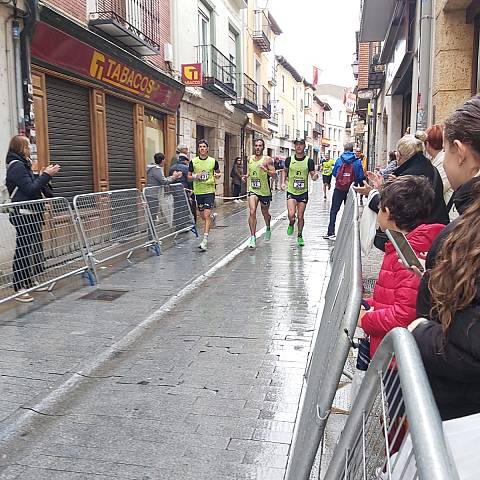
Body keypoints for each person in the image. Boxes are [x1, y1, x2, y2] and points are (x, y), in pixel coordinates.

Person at [357, 176, 444, 358]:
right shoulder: (403, 246)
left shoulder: (406, 256)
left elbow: (403, 315)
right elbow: (395, 299)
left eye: (379, 210)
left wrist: (365, 319)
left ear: (387, 212)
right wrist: (369, 304)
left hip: (398, 359)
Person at [355, 132, 450, 251]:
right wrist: (382, 187)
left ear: (399, 155)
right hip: (431, 233)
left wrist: (371, 193)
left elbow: (395, 209)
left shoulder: (411, 176)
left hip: (416, 239)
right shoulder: (429, 168)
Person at [5, 135, 60, 303]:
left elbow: (34, 186)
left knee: (30, 249)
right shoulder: (17, 166)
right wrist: (46, 175)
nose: (30, 148)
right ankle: (19, 287)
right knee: (23, 249)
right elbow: (30, 189)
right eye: (27, 145)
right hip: (23, 213)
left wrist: (42, 175)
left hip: (32, 213)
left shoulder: (24, 164)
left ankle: (29, 282)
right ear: (20, 147)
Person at [323, 143, 365, 240]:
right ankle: (348, 233)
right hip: (351, 189)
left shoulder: (339, 160)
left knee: (334, 210)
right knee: (350, 211)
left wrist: (342, 181)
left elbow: (334, 174)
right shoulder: (357, 161)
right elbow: (360, 176)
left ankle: (331, 232)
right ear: (352, 149)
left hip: (339, 189)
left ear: (344, 149)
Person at [282, 139, 319, 247]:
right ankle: (291, 223)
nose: (298, 147)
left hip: (303, 192)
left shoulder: (309, 161)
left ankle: (299, 235)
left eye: (301, 145)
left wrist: (315, 177)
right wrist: (283, 182)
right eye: (296, 145)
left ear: (304, 147)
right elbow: (285, 170)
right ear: (294, 147)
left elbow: (313, 175)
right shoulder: (289, 159)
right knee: (291, 214)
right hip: (291, 191)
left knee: (300, 215)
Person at [187, 139, 221, 251]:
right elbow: (189, 177)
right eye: (200, 146)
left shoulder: (213, 161)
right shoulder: (193, 162)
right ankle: (212, 218)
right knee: (203, 216)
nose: (202, 148)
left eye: (204, 147)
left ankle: (204, 240)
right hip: (199, 192)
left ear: (207, 149)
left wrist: (217, 176)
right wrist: (197, 176)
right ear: (198, 149)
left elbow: (218, 172)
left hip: (209, 191)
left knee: (205, 216)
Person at [242, 139, 275, 249]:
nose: (257, 147)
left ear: (263, 147)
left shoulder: (268, 160)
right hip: (253, 190)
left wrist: (266, 170)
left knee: (265, 213)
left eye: (260, 146)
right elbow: (250, 171)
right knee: (252, 211)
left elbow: (274, 175)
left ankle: (268, 226)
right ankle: (252, 237)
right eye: (256, 145)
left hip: (265, 191)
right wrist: (246, 176)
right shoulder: (250, 159)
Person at [145, 153, 182, 225]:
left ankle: (152, 235)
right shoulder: (156, 169)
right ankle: (151, 236)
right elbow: (164, 181)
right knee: (152, 216)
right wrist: (174, 176)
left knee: (152, 216)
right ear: (162, 160)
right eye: (164, 160)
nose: (165, 162)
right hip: (153, 195)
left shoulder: (153, 168)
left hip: (151, 194)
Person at [424, 124, 454, 211]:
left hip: (445, 209)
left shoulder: (443, 160)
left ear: (427, 144)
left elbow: (438, 188)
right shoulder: (436, 159)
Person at [169, 149, 193, 230]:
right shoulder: (186, 168)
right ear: (185, 160)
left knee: (177, 206)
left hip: (174, 190)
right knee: (184, 207)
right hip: (183, 190)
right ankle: (183, 225)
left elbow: (170, 179)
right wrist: (191, 190)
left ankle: (177, 224)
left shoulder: (172, 168)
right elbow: (189, 180)